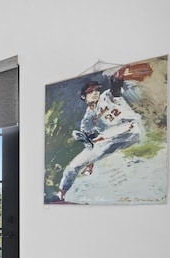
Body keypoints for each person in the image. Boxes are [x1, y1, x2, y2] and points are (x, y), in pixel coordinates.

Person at [55, 66, 146, 201]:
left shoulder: (107, 96)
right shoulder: (87, 119)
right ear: (83, 96)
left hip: (130, 130)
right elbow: (91, 145)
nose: (96, 92)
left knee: (106, 134)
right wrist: (90, 162)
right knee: (72, 167)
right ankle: (60, 194)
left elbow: (116, 86)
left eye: (97, 89)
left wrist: (120, 74)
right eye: (91, 91)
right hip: (109, 140)